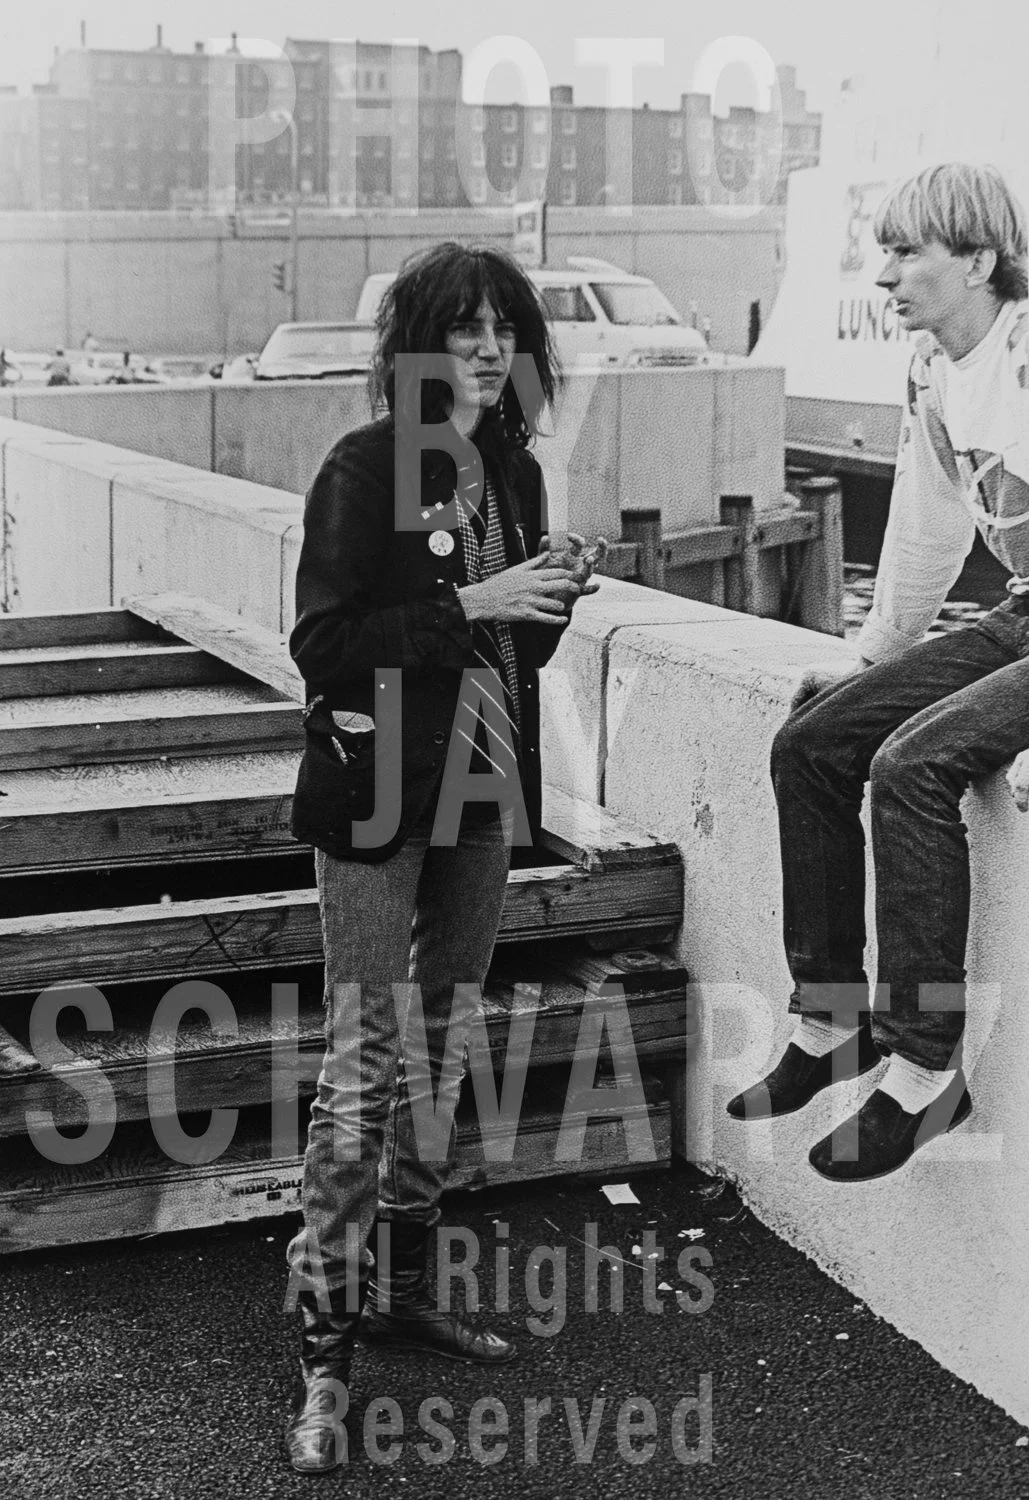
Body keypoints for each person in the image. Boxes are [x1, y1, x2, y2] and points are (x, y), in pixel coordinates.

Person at [283, 241, 596, 1474]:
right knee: (365, 1058)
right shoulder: (367, 464)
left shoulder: (511, 469)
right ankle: (325, 1349)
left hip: (479, 776)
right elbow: (322, 642)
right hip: (374, 783)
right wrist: (481, 601)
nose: (484, 345)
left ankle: (406, 1289)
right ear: (417, 344)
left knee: (443, 1037)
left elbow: (522, 656)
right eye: (461, 326)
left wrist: (553, 596)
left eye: (502, 327)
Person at [727, 163, 1029, 1181]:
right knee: (814, 743)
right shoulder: (935, 371)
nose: (885, 272)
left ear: (979, 260)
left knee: (914, 766)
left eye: (908, 252)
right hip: (1023, 615)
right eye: (885, 250)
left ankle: (925, 1068)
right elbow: (928, 530)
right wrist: (866, 662)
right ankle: (829, 1020)